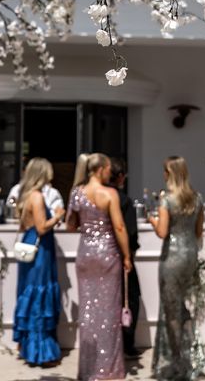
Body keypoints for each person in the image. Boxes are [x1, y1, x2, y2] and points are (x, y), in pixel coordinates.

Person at [66, 152, 132, 381]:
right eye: (107, 168)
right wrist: (127, 256)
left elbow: (70, 226)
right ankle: (108, 369)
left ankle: (89, 368)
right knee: (109, 313)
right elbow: (120, 227)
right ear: (101, 169)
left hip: (85, 254)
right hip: (107, 255)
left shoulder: (76, 193)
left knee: (88, 312)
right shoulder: (110, 193)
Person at [147, 156, 205, 381]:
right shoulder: (197, 198)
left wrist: (153, 221)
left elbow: (163, 232)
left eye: (165, 171)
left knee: (172, 310)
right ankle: (190, 355)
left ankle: (178, 362)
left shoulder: (167, 200)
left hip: (172, 257)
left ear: (170, 174)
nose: (163, 175)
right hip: (190, 255)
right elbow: (199, 231)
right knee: (181, 307)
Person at [13, 158, 66, 366]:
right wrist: (58, 216)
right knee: (39, 293)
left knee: (29, 291)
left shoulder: (25, 195)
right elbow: (42, 227)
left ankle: (27, 344)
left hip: (30, 245)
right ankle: (40, 351)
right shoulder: (36, 197)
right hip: (40, 249)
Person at [107, 157, 142, 359]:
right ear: (120, 177)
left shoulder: (99, 197)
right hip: (121, 256)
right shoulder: (123, 200)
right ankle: (127, 342)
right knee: (131, 299)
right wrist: (129, 255)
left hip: (102, 254)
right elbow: (129, 232)